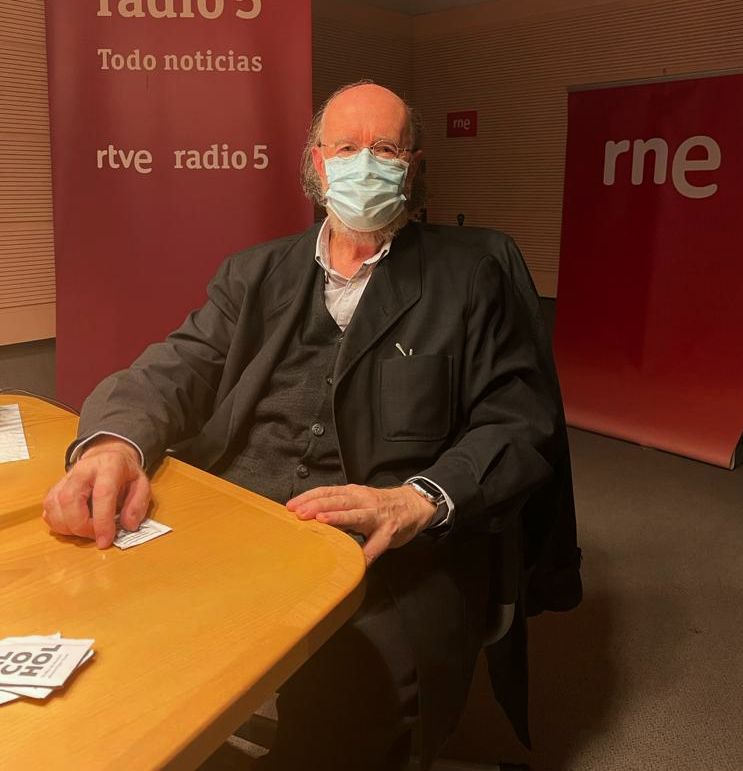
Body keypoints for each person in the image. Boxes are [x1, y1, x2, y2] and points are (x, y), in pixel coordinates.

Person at [43, 82, 577, 771]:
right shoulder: (255, 272)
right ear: (316, 164)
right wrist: (113, 443)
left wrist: (417, 500)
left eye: (385, 149)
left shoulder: (473, 273)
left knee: (345, 711)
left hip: (382, 548)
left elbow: (517, 421)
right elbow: (177, 366)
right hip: (235, 520)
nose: (364, 164)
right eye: (345, 147)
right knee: (112, 649)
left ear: (413, 167)